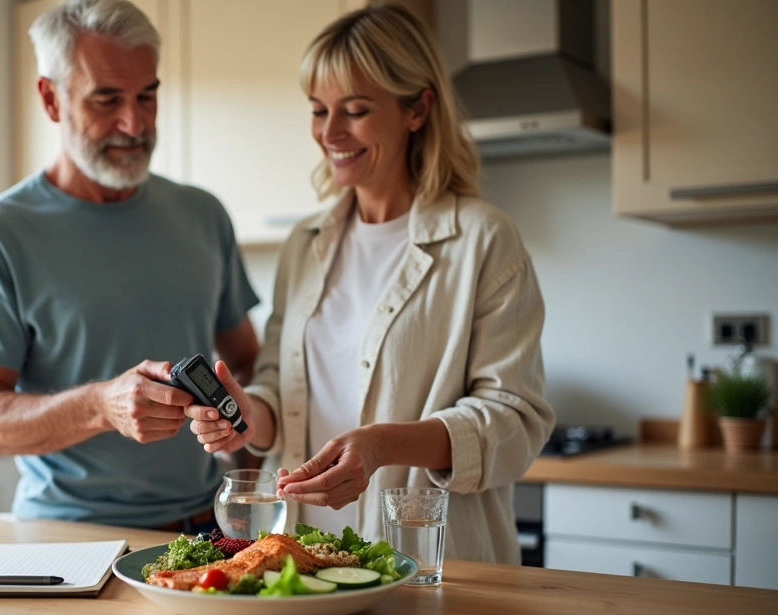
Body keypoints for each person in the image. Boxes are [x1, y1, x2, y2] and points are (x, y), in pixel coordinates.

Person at [185, 4, 555, 564]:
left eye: (354, 110)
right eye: (317, 110)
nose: (329, 132)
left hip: (431, 563)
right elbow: (276, 387)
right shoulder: (304, 244)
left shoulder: (484, 240)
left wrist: (381, 445)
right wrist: (247, 416)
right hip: (302, 559)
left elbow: (516, 421)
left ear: (418, 108)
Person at [0, 0, 261, 535]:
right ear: (51, 98)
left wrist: (247, 491)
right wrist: (99, 406)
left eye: (147, 96)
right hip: (68, 540)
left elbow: (248, 367)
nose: (133, 123)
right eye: (107, 99)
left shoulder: (203, 215)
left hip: (208, 533)